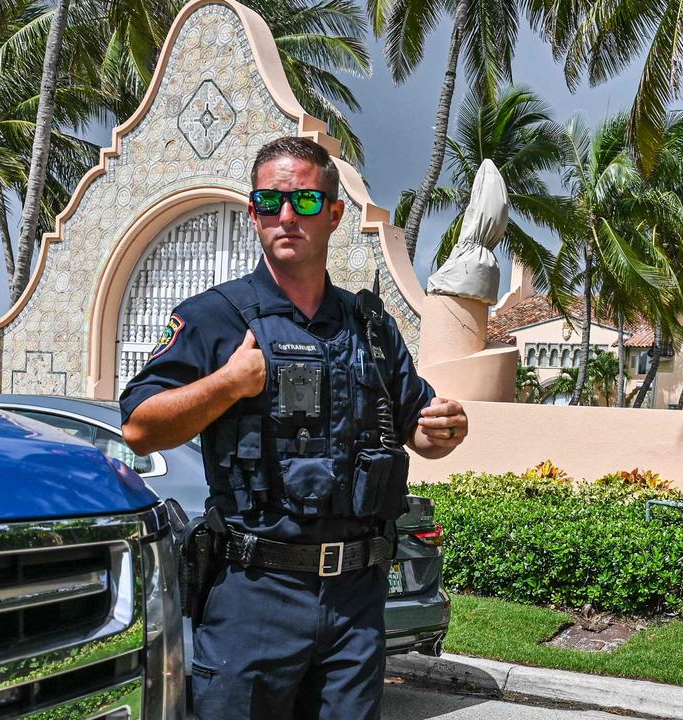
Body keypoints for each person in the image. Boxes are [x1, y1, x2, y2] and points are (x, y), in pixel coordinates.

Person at [120, 136, 467, 719]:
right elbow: (138, 427)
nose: (286, 216)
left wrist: (443, 430)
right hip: (254, 596)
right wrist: (227, 384)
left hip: (356, 601)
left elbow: (422, 431)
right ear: (253, 211)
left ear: (333, 213)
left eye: (305, 202)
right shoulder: (216, 317)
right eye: (269, 201)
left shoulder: (372, 329)